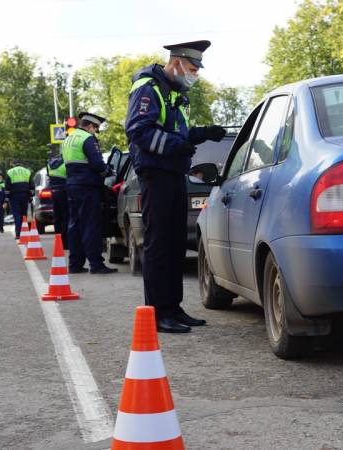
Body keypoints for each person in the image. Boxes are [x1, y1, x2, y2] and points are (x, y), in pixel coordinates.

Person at [125, 40, 227, 333]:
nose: (194, 75)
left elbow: (176, 132)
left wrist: (201, 134)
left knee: (173, 245)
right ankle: (158, 313)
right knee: (159, 246)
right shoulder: (148, 87)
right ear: (177, 63)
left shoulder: (172, 92)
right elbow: (139, 131)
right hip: (156, 174)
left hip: (172, 174)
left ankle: (173, 307)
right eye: (192, 69)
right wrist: (177, 145)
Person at [61, 112, 117, 275]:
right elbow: (97, 164)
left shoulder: (68, 138)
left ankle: (75, 264)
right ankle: (96, 264)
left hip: (72, 185)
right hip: (87, 186)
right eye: (96, 129)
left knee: (75, 225)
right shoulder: (87, 138)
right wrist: (107, 171)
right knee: (91, 225)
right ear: (91, 126)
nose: (95, 132)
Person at [5, 160, 34, 239]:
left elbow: (7, 186)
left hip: (14, 196)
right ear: (21, 164)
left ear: (14, 165)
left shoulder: (10, 172)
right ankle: (25, 232)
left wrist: (6, 198)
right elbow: (32, 185)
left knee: (16, 214)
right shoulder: (27, 171)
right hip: (25, 195)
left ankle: (18, 234)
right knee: (24, 214)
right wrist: (31, 196)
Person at [47, 154, 69, 247]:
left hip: (53, 192)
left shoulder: (50, 163)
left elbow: (49, 176)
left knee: (57, 217)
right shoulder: (66, 162)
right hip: (64, 191)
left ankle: (58, 241)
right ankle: (65, 242)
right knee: (66, 217)